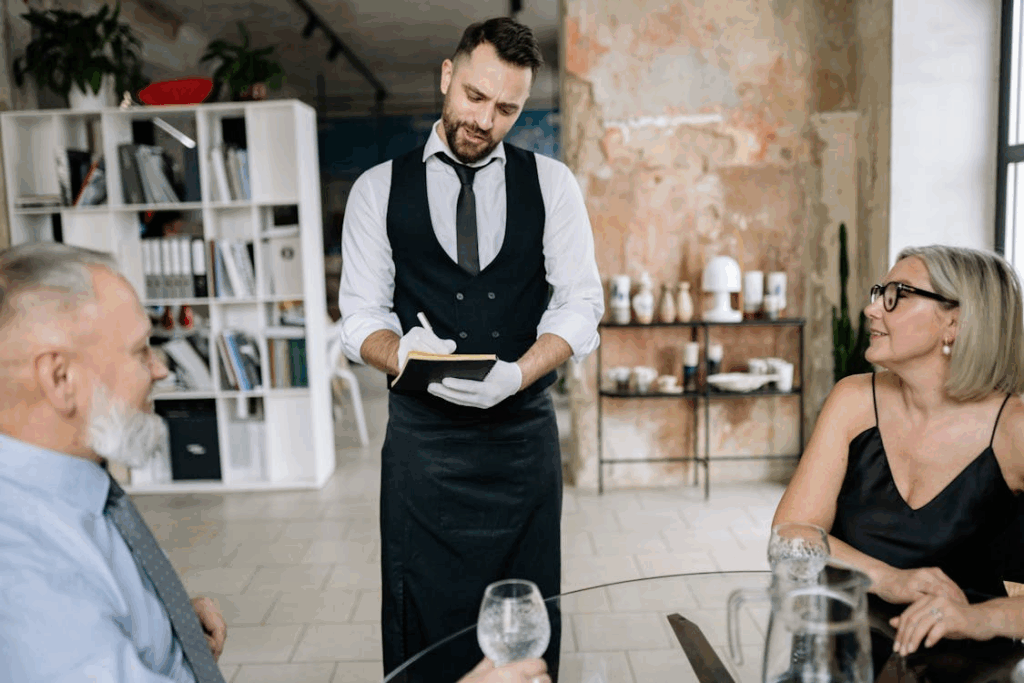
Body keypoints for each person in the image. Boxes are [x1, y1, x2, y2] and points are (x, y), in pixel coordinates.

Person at [337, 17, 603, 681]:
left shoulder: (553, 184)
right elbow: (359, 317)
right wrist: (402, 355)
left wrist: (518, 373)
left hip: (521, 445)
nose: (485, 119)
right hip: (424, 451)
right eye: (476, 96)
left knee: (528, 621)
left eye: (507, 108)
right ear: (447, 76)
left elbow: (581, 305)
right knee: (421, 616)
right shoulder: (376, 190)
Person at [772, 244, 1024, 660]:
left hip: (964, 669)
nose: (872, 309)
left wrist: (979, 619)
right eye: (879, 292)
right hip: (840, 655)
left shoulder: (1014, 428)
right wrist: (889, 579)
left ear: (955, 323)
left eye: (897, 296)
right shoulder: (852, 399)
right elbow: (791, 537)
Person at [0, 242, 228, 682]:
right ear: (61, 379)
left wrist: (166, 622)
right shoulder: (28, 582)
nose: (159, 369)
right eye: (140, 350)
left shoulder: (71, 486)